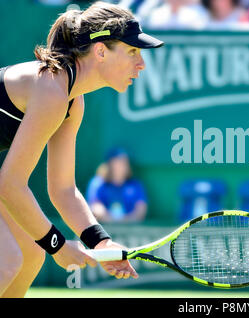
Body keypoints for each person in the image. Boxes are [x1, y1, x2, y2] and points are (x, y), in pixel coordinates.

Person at [0, 1, 164, 297]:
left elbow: (62, 189)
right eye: (132, 51)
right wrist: (58, 246)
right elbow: (10, 184)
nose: (141, 64)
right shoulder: (51, 89)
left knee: (29, 257)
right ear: (101, 51)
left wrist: (101, 242)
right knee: (8, 261)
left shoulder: (72, 101)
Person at [89, 148, 148, 223]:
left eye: (125, 163)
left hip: (131, 230)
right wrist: (112, 220)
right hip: (104, 229)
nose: (121, 166)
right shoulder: (98, 182)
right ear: (109, 164)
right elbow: (95, 207)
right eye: (118, 162)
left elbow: (141, 210)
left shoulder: (135, 185)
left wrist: (125, 221)